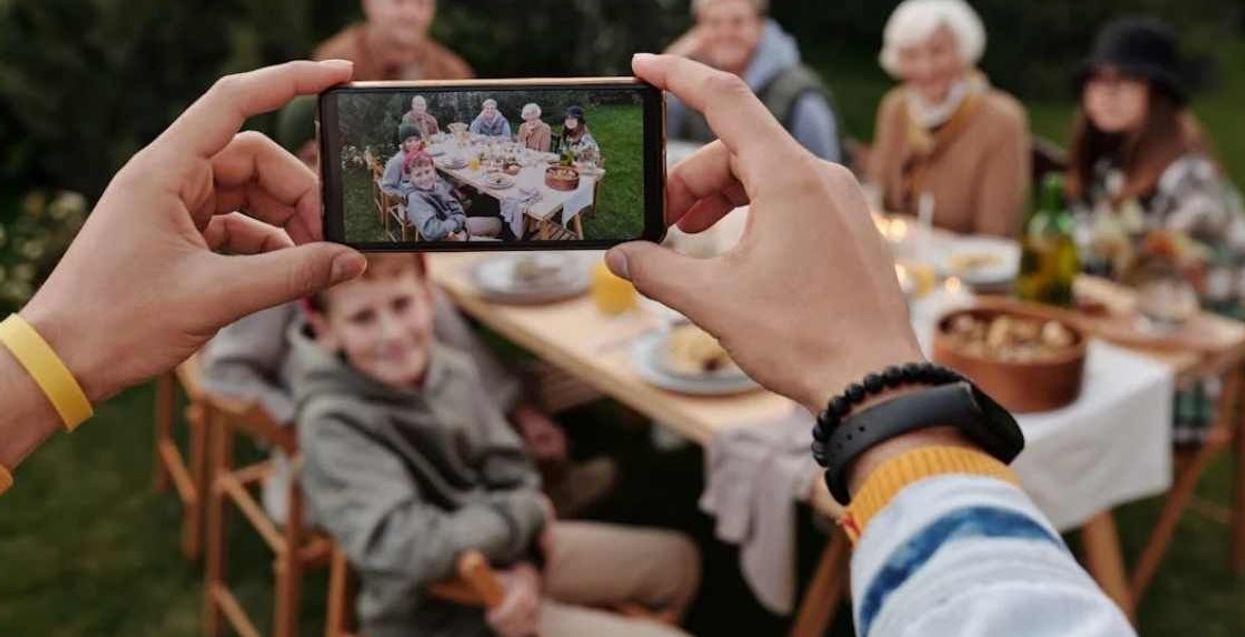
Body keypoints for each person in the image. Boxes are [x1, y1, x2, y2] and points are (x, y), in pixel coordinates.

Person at [0, 56, 1133, 637]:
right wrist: (520, 528)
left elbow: (487, 439)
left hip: (506, 530)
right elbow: (404, 538)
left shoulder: (444, 351)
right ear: (317, 307)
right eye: (371, 311)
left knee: (668, 554)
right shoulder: (343, 410)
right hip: (461, 596)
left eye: (407, 305)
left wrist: (47, 356)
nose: (399, 324)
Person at [202, 104, 614, 522]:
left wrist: (516, 410)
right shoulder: (280, 255)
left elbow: (445, 328)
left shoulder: (364, 231)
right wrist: (307, 426)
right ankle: (522, 519)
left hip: (413, 394)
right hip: (359, 431)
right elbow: (225, 373)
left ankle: (533, 488)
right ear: (309, 157)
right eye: (349, 153)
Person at [295, 253, 701, 637]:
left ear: (428, 295)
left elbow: (512, 468)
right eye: (363, 318)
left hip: (509, 554)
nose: (393, 333)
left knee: (678, 561)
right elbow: (406, 546)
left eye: (402, 305)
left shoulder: (449, 370)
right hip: (443, 611)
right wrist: (519, 521)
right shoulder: (333, 424)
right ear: (327, 330)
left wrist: (525, 563)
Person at [1067, 16, 1245, 445]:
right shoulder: (1113, 168)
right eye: (1097, 81)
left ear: (1159, 96)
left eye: (1125, 82)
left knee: (1060, 403)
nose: (1105, 95)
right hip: (1125, 334)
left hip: (1189, 365)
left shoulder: (1191, 184)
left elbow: (1194, 297)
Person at [866, 0, 1031, 237]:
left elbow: (996, 233)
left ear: (963, 51)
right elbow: (877, 195)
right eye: (911, 55)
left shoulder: (1002, 120)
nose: (926, 68)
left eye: (938, 52)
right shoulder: (895, 107)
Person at [664, 0, 842, 163]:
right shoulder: (683, 93)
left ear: (760, 27)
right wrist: (674, 59)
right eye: (714, 23)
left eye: (737, 22)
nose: (726, 33)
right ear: (697, 31)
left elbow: (827, 173)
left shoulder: (801, 98)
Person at [313, 0, 472, 81]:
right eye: (399, 0)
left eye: (421, 2)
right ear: (368, 1)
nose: (410, 13)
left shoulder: (452, 73)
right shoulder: (334, 63)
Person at [404, 150, 503, 241]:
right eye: (418, 175)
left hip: (456, 225)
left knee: (496, 223)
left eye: (427, 171)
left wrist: (458, 221)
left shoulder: (437, 186)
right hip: (447, 238)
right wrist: (457, 224)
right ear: (411, 178)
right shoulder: (416, 199)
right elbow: (432, 231)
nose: (425, 178)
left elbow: (455, 205)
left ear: (433, 169)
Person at [380, 123, 426, 197]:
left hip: (425, 192)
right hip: (410, 198)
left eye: (417, 140)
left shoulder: (421, 155)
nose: (414, 144)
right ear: (403, 143)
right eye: (409, 141)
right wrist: (403, 196)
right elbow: (386, 186)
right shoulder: (397, 161)